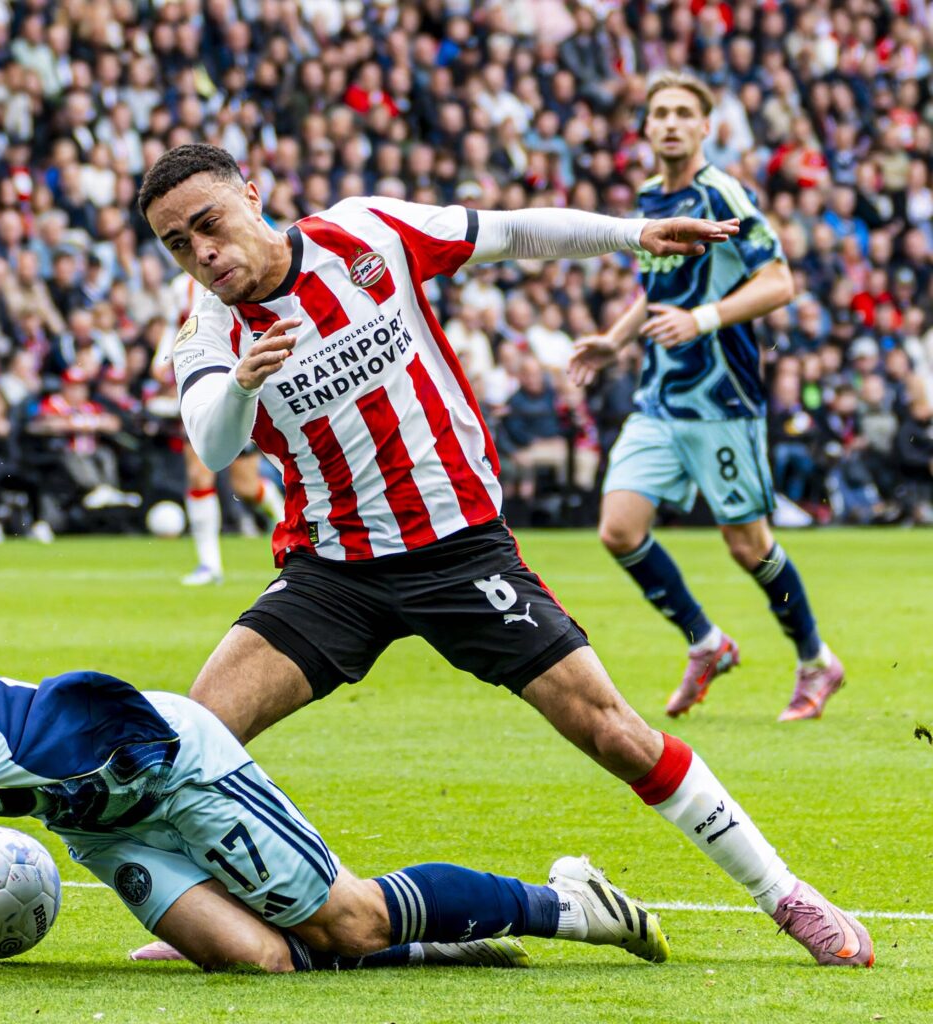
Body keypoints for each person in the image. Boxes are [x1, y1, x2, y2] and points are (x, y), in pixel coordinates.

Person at [141, 142, 870, 967]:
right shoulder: (205, 334)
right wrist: (241, 382)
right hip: (333, 570)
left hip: (459, 550)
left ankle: (787, 895)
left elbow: (514, 232)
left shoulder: (367, 234)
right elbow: (211, 440)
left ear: (251, 193)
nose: (202, 252)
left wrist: (633, 235)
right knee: (184, 744)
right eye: (177, 243)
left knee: (614, 733)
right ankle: (229, 917)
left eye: (209, 223)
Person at [0, 541, 671, 996]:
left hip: (176, 765)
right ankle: (439, 954)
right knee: (262, 964)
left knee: (345, 921)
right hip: (102, 820)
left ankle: (563, 903)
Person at [569, 73, 839, 721]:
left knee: (748, 546)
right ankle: (706, 642)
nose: (668, 123)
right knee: (618, 528)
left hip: (722, 400)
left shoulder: (725, 194)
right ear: (645, 127)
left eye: (683, 113)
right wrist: (613, 340)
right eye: (659, 112)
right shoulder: (648, 198)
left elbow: (779, 283)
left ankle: (815, 661)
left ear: (704, 127)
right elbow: (658, 289)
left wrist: (705, 319)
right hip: (660, 396)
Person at [152, 270, 286, 586]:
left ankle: (284, 522)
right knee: (199, 474)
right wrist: (163, 358)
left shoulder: (242, 276)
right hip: (205, 389)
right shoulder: (179, 288)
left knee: (245, 486)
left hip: (243, 388)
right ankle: (209, 565)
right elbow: (176, 326)